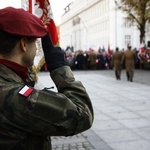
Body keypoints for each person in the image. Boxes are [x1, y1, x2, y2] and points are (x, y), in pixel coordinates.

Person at [0, 7, 94, 150]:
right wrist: (60, 69)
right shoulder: (13, 96)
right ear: (23, 44)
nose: (37, 50)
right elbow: (82, 114)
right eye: (35, 43)